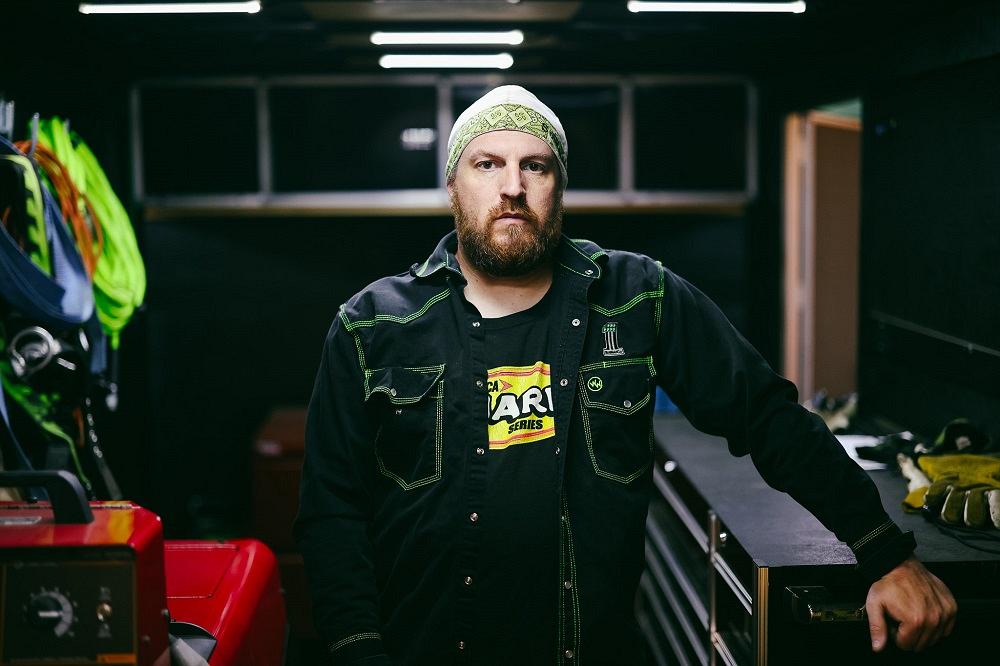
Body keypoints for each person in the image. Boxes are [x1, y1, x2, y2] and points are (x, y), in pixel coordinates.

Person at [295, 85, 956, 665]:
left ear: (558, 186)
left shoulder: (639, 297)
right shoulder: (372, 325)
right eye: (487, 164)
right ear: (454, 185)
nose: (512, 186)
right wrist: (358, 653)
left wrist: (887, 556)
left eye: (536, 166)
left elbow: (768, 415)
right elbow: (332, 513)